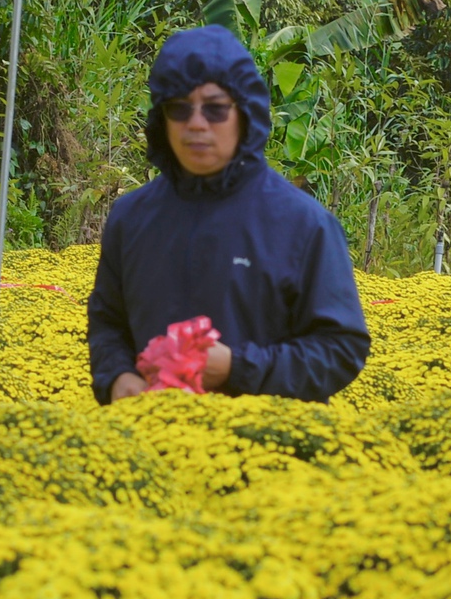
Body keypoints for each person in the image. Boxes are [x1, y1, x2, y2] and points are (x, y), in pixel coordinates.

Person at [88, 25, 370, 403]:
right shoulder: (131, 217)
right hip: (147, 444)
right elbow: (108, 323)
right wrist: (117, 376)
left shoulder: (303, 224)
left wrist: (237, 368)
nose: (197, 124)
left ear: (245, 113)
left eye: (216, 108)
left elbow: (340, 349)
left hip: (265, 450)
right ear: (162, 119)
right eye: (179, 108)